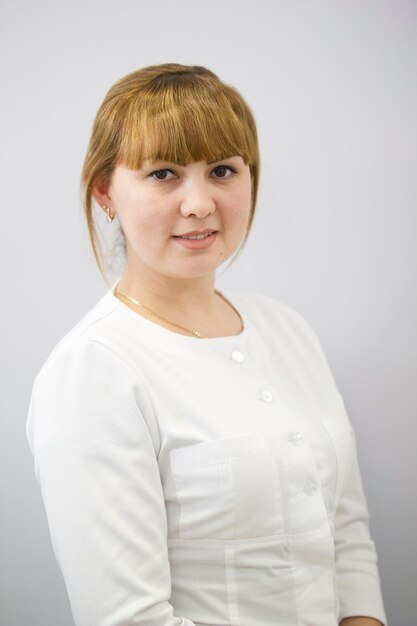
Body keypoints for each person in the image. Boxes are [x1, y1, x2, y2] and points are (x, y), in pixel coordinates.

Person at [26, 63, 387, 626]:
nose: (199, 203)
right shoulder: (94, 373)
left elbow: (344, 533)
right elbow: (129, 617)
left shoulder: (287, 329)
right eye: (164, 174)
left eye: (222, 170)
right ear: (105, 192)